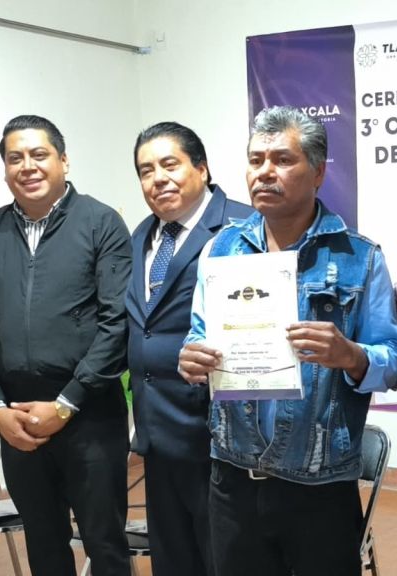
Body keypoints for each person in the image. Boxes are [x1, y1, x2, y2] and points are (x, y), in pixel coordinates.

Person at [177, 105, 397, 576]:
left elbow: (393, 362)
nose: (265, 172)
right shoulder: (221, 250)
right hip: (233, 474)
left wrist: (351, 355)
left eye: (283, 160)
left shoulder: (359, 258)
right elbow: (199, 335)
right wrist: (192, 358)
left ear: (318, 172)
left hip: (319, 483)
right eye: (256, 160)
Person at [0, 115, 132, 575]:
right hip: (18, 417)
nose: (27, 166)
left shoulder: (101, 222)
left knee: (105, 543)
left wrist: (67, 403)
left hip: (90, 411)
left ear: (64, 161)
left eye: (39, 154)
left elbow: (117, 323)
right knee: (43, 541)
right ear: (5, 169)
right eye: (15, 158)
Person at [126, 121, 252, 575]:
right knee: (174, 562)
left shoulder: (244, 227)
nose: (158, 178)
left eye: (169, 164)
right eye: (146, 170)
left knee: (226, 561)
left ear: (201, 168)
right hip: (158, 437)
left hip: (217, 438)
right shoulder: (141, 235)